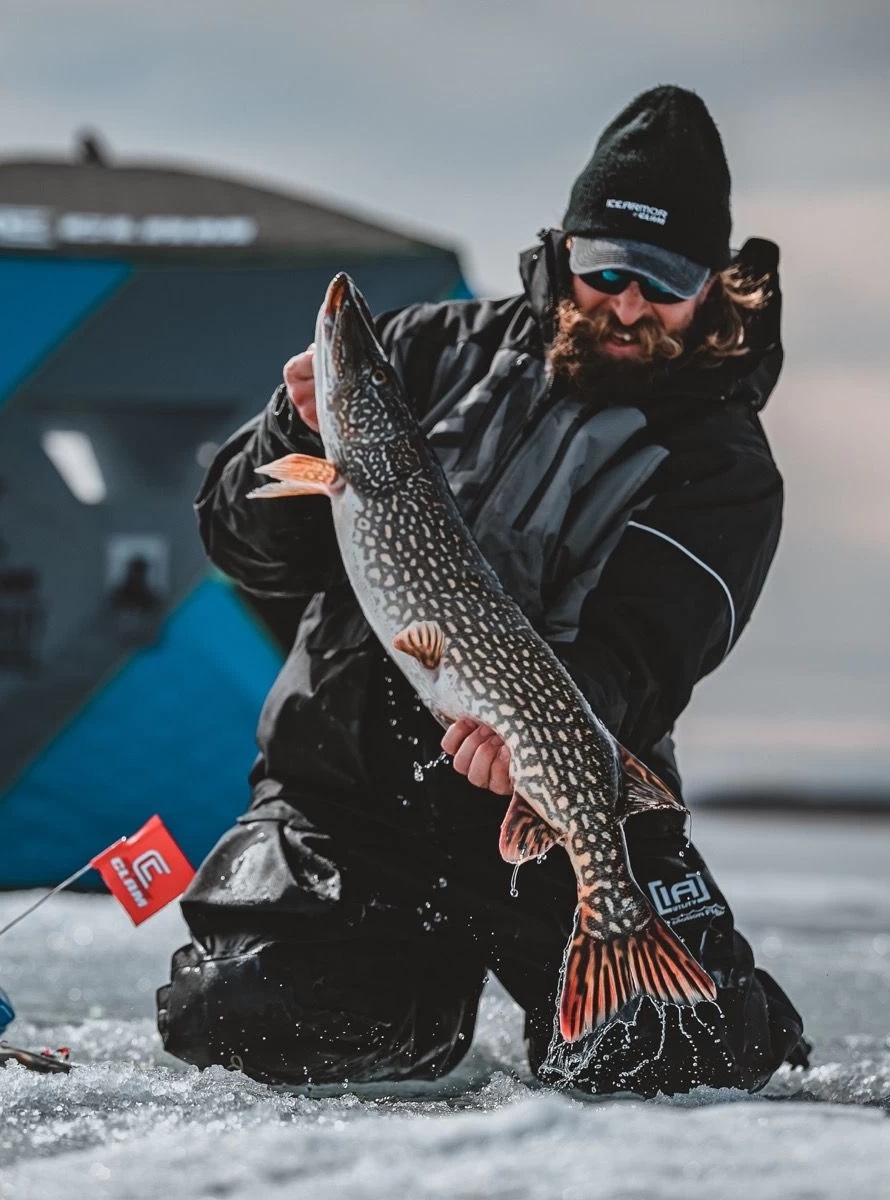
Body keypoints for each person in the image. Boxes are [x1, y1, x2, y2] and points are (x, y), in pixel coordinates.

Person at [157, 85, 809, 1095]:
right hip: (348, 791)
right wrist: (294, 438)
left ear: (714, 289)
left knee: (676, 1062)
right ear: (565, 252)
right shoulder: (423, 352)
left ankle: (661, 988)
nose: (629, 305)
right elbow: (244, 548)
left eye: (665, 283)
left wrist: (539, 738)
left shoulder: (726, 468)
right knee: (242, 1014)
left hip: (556, 792)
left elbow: (641, 651)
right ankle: (409, 1011)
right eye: (608, 272)